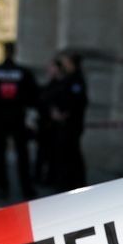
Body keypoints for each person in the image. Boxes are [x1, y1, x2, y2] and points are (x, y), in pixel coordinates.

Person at [0, 42, 38, 199]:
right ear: (15, 52)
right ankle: (26, 188)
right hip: (18, 118)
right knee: (23, 155)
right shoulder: (23, 72)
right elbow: (34, 95)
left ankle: (2, 187)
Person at [49, 53, 88, 191]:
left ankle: (73, 182)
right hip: (65, 124)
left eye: (66, 61)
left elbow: (77, 102)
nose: (64, 64)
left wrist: (64, 113)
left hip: (71, 124)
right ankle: (67, 182)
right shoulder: (69, 78)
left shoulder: (76, 80)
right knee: (67, 153)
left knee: (71, 153)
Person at [33, 57, 63, 187]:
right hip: (44, 124)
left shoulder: (59, 85)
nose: (48, 69)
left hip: (51, 126)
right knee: (42, 152)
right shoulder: (49, 84)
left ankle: (49, 178)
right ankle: (40, 176)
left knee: (50, 154)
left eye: (52, 67)